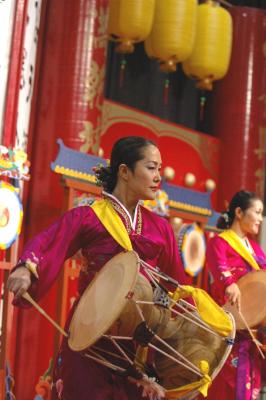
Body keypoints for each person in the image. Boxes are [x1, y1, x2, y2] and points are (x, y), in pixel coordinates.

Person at [7, 136, 188, 400]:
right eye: (151, 167)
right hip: (89, 336)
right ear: (124, 171)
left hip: (136, 342)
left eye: (160, 168)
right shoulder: (88, 217)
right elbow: (51, 241)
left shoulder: (161, 228)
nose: (158, 176)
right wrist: (26, 268)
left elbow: (178, 287)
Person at [205, 190, 266, 400]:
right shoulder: (219, 243)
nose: (260, 218)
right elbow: (221, 272)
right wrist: (230, 283)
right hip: (228, 330)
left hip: (252, 332)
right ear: (239, 212)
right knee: (226, 387)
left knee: (251, 386)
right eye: (257, 212)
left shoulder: (256, 249)